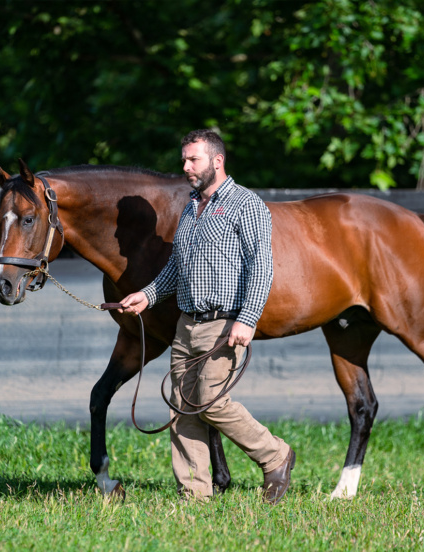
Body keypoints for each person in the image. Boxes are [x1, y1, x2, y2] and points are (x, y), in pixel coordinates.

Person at [119, 129, 295, 504]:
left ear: (217, 161)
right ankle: (194, 495)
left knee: (212, 403)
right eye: (184, 159)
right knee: (182, 408)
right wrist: (146, 296)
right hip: (187, 323)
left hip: (224, 322)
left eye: (193, 159)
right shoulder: (190, 207)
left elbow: (261, 267)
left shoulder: (245, 204)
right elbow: (176, 269)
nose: (185, 167)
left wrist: (247, 318)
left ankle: (275, 455)